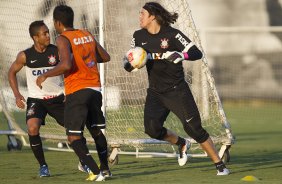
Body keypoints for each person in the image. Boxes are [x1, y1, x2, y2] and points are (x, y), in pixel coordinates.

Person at [124, 2, 230, 176]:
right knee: (152, 129)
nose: (139, 17)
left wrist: (182, 55)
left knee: (194, 129)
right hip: (156, 92)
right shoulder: (138, 36)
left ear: (152, 16)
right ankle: (181, 143)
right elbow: (130, 61)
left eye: (142, 14)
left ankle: (220, 165)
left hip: (177, 90)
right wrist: (131, 64)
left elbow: (197, 52)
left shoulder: (173, 35)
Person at [36, 5, 111, 181]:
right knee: (96, 132)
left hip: (77, 90)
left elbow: (66, 65)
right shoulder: (86, 34)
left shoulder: (63, 38)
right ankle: (105, 168)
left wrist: (45, 75)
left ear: (57, 23)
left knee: (73, 136)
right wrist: (86, 59)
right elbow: (105, 57)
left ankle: (94, 171)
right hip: (95, 89)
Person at [8, 20, 65, 177]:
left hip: (58, 98)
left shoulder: (58, 51)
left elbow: (69, 68)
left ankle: (83, 161)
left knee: (73, 128)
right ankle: (43, 166)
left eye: (48, 32)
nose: (48, 35)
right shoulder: (25, 56)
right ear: (35, 37)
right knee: (32, 128)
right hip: (36, 100)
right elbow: (11, 72)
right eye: (44, 33)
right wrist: (17, 94)